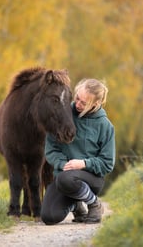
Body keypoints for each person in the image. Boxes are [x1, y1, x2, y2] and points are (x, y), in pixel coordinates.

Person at [41, 78, 115, 225]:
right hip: (64, 176)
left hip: (91, 179)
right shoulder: (62, 115)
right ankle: (76, 205)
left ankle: (94, 204)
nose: (78, 104)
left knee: (66, 178)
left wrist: (83, 163)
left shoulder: (105, 126)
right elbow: (51, 148)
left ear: (95, 104)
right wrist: (62, 164)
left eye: (84, 103)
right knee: (48, 217)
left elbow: (107, 163)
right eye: (77, 98)